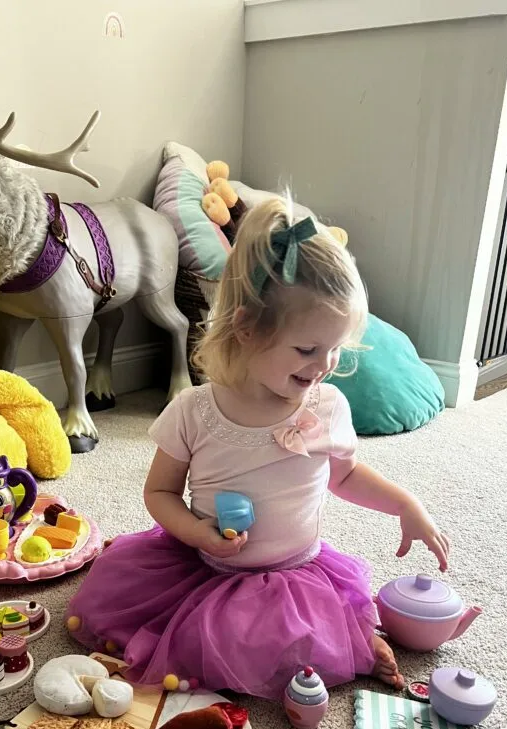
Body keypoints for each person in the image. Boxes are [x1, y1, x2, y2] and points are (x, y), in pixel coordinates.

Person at [65, 197, 450, 703]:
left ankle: (354, 639)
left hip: (294, 571)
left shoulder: (328, 405)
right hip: (203, 567)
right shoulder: (195, 410)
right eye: (308, 349)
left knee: (301, 638)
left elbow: (346, 475)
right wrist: (195, 531)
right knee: (199, 637)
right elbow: (159, 492)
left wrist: (406, 504)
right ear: (247, 329)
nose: (326, 364)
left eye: (335, 348)